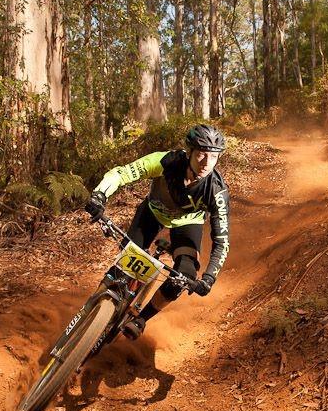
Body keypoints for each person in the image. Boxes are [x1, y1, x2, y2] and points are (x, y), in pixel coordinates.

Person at [85, 124, 230, 339]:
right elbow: (122, 173)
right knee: (127, 263)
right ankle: (91, 310)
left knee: (185, 275)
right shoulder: (166, 161)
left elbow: (222, 241)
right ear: (189, 152)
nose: (206, 163)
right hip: (152, 213)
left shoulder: (216, 191)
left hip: (187, 224)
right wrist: (99, 196)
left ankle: (141, 319)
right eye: (201, 155)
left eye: (213, 157)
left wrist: (208, 278)